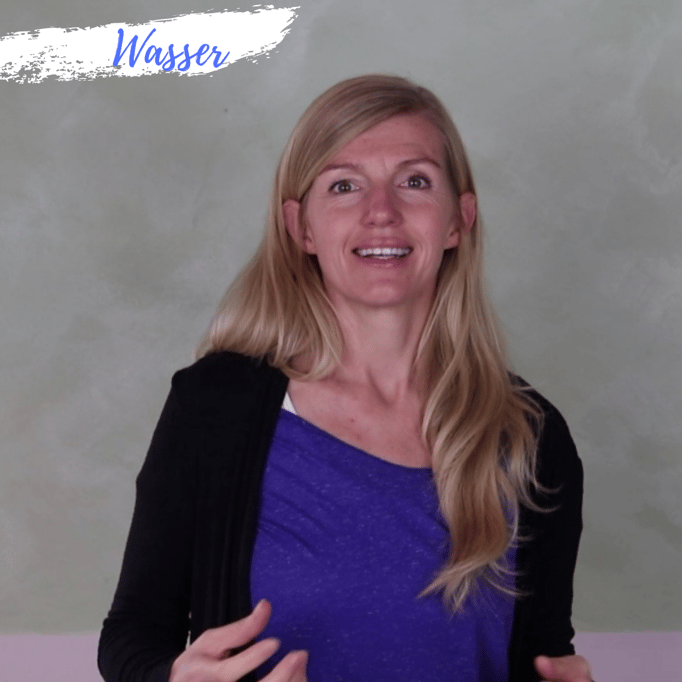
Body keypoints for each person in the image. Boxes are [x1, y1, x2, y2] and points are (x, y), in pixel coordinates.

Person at [98, 74, 591, 682]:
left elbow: (546, 655)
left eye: (414, 181)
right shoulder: (216, 408)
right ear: (301, 227)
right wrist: (172, 678)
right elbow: (133, 633)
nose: (381, 212)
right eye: (344, 185)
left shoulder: (530, 435)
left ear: (459, 220)